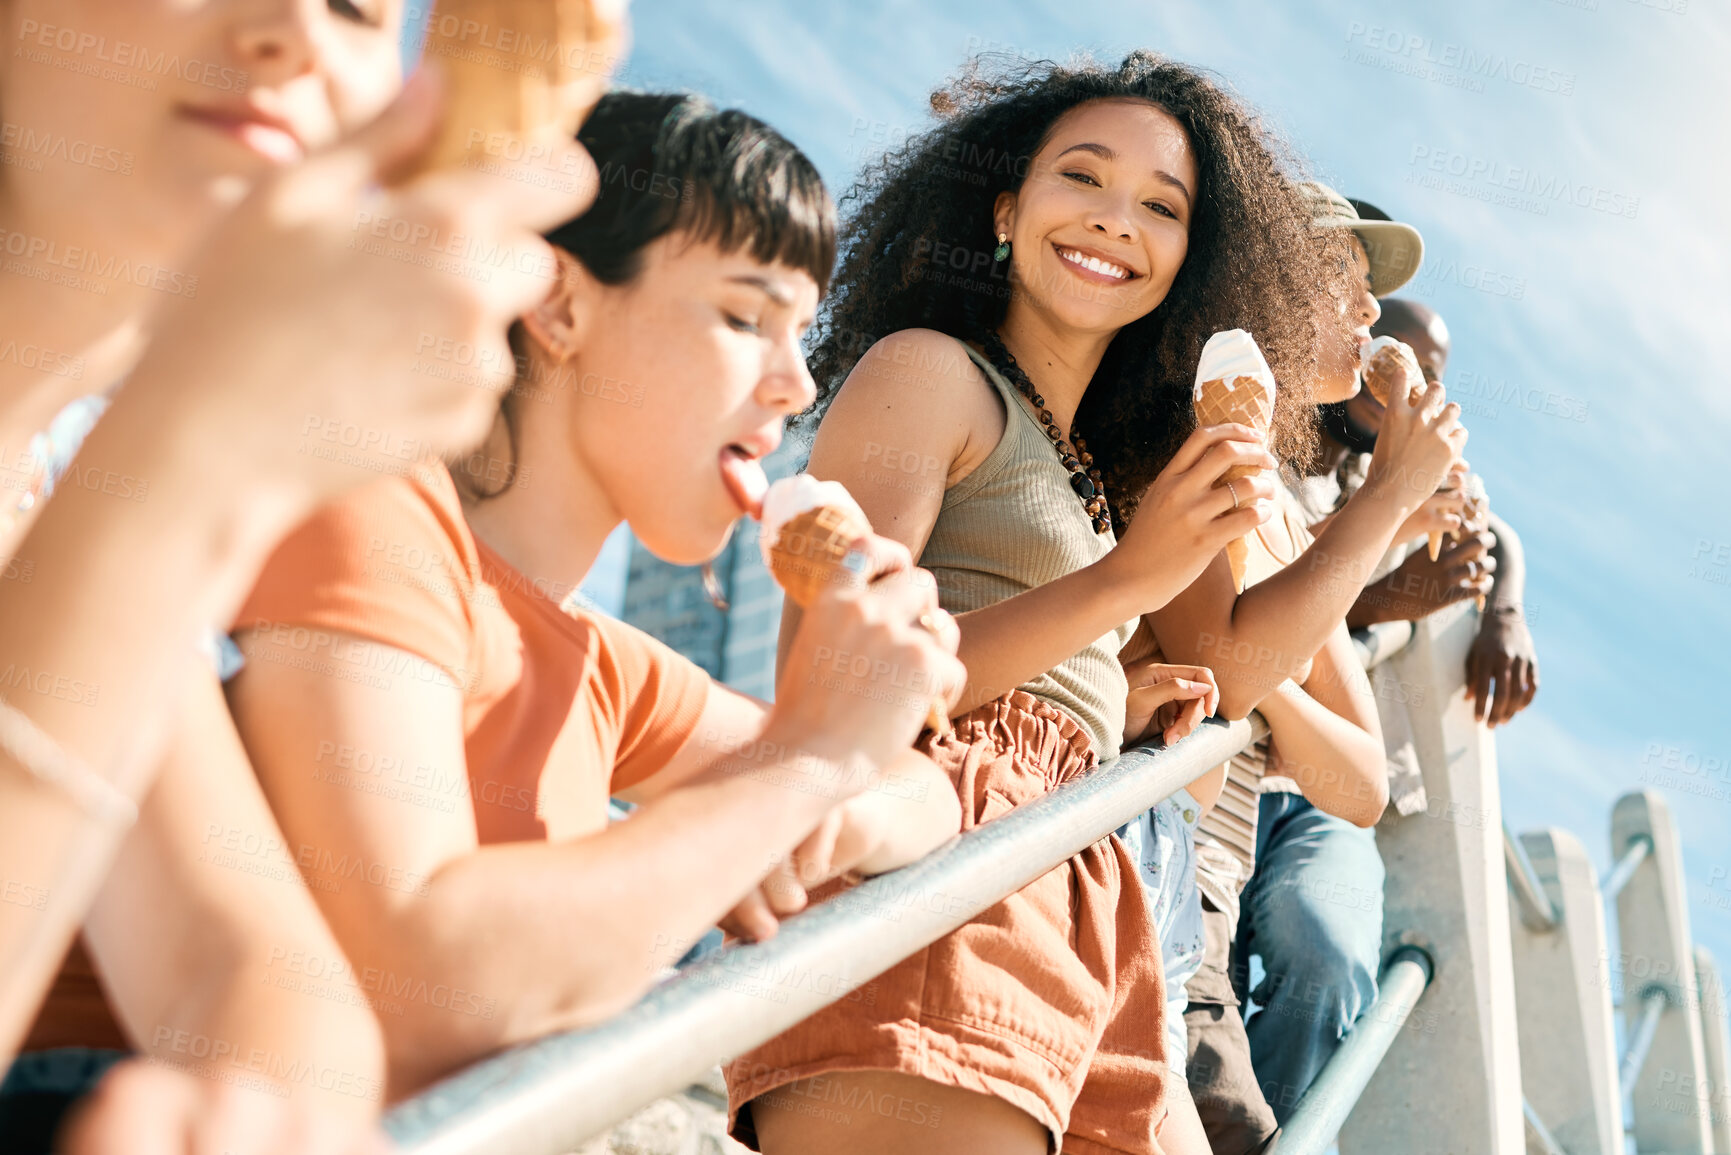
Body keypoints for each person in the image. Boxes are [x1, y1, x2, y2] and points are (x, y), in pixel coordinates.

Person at [222, 91, 967, 1097]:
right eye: (747, 316)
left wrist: (824, 800)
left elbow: (929, 802)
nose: (795, 384)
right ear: (564, 305)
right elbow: (422, 974)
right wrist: (809, 761)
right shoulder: (371, 516)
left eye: (803, 336)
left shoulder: (605, 672)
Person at [727, 51, 1389, 1155]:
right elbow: (836, 679)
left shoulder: (1100, 471)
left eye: (1162, 206)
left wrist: (1109, 704)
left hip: (1093, 878)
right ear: (1004, 208)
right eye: (1081, 178)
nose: (1116, 219)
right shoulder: (930, 371)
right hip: (943, 863)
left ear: (1191, 262)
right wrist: (1125, 585)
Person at [0, 1, 607, 1147]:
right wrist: (196, 458)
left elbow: (244, 967)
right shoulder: (149, 497)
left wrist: (256, 1109)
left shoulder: (55, 513)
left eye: (359, 8)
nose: (291, 29)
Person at [1307, 292, 1540, 727]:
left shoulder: (1379, 474)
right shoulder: (1275, 444)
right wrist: (1385, 601)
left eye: (1424, 373)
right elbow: (1270, 582)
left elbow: (1496, 533)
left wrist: (1505, 613)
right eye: (1389, 347)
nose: (1397, 382)